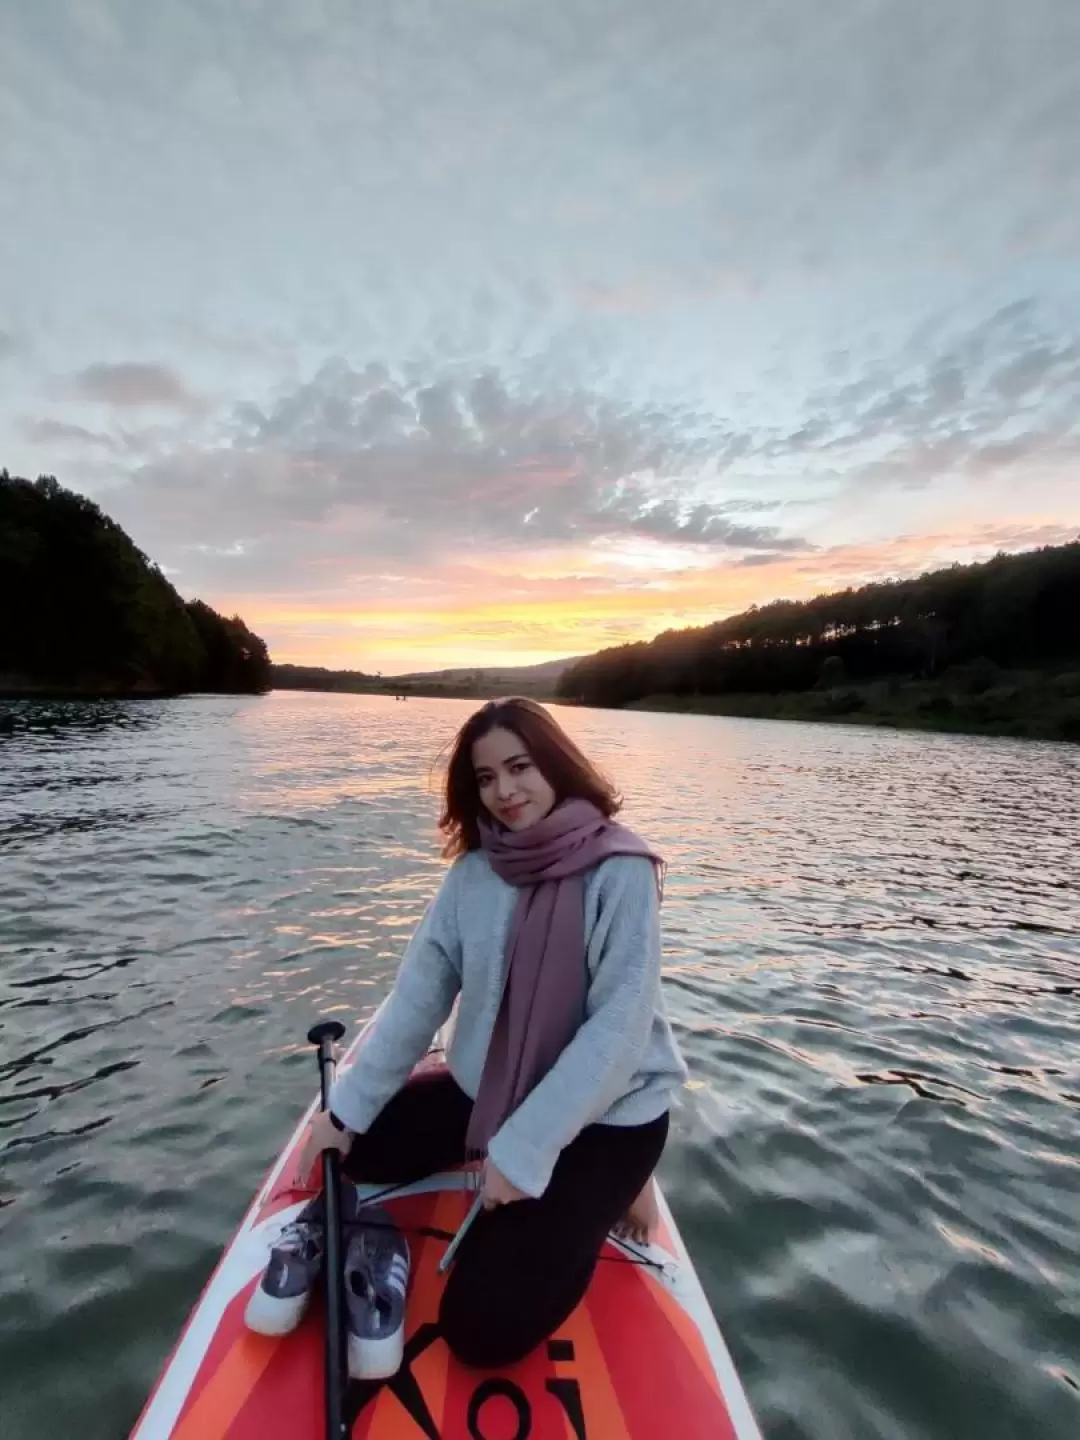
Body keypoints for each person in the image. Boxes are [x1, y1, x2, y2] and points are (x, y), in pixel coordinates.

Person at [246, 696, 688, 1378]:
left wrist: (523, 1152)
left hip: (608, 1117)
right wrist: (345, 1113)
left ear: (555, 764)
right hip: (490, 1094)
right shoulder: (473, 875)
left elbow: (620, 1031)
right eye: (485, 778)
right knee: (358, 1151)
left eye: (520, 767)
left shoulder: (620, 870)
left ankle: (624, 1185)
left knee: (480, 1332)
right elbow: (418, 996)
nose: (505, 791)